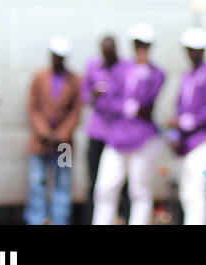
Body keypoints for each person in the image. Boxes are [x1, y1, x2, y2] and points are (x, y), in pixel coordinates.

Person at [92, 24, 164, 226]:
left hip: (142, 139)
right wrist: (127, 107)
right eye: (138, 44)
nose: (141, 49)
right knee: (105, 188)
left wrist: (143, 76)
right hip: (117, 138)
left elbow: (147, 103)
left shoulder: (156, 74)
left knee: (140, 191)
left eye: (145, 45)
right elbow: (106, 101)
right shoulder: (120, 69)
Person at [25, 36, 82, 225]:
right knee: (36, 183)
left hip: (63, 144)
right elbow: (33, 107)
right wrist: (44, 132)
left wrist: (62, 133)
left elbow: (76, 111)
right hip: (40, 142)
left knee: (63, 184)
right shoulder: (39, 78)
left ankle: (60, 220)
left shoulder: (74, 81)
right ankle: (36, 219)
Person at [171, 27, 206, 225]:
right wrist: (176, 134)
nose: (193, 53)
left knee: (195, 194)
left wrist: (188, 122)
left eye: (196, 49)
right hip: (186, 144)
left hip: (203, 141)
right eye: (190, 49)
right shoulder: (188, 75)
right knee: (186, 194)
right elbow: (180, 107)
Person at [82, 35, 124, 218]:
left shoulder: (125, 69)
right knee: (94, 180)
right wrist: (93, 94)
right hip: (98, 132)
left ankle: (122, 217)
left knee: (121, 182)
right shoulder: (93, 66)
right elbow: (83, 96)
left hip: (118, 134)